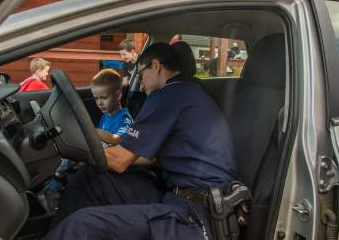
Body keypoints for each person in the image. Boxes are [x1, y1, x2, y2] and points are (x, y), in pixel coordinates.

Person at [47, 42, 238, 240]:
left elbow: (120, 161)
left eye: (141, 74)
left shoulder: (168, 96)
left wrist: (76, 150)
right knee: (89, 178)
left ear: (156, 66)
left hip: (196, 213)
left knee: (82, 225)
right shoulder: (186, 93)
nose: (140, 82)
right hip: (180, 194)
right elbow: (148, 158)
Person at [90, 69, 133, 146]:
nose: (99, 103)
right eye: (96, 98)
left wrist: (96, 132)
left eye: (104, 97)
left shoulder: (124, 118)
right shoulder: (105, 117)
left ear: (118, 95)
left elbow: (118, 139)